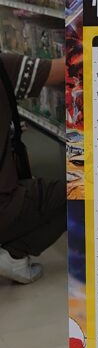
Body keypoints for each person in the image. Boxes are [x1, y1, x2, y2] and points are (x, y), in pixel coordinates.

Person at [0, 53, 65, 283]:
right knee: (77, 194)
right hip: (4, 207)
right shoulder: (6, 67)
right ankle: (14, 255)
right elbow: (66, 69)